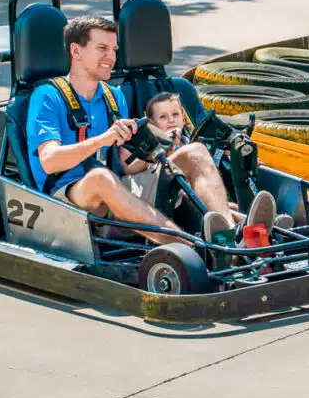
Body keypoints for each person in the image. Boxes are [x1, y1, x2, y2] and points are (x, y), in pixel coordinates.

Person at [25, 15, 277, 245]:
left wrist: (161, 157)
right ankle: (187, 246)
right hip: (69, 198)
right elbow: (49, 162)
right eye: (101, 48)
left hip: (117, 189)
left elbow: (127, 168)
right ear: (76, 51)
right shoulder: (47, 96)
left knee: (195, 151)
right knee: (101, 178)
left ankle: (230, 236)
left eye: (113, 49)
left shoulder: (114, 98)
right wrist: (102, 139)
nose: (111, 57)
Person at [140, 91, 293, 244]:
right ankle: (244, 230)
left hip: (201, 199)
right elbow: (135, 168)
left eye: (175, 114)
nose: (171, 120)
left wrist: (235, 155)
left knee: (225, 203)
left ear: (183, 117)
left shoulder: (190, 141)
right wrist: (166, 146)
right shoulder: (151, 146)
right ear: (153, 125)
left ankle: (258, 226)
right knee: (207, 201)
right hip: (172, 199)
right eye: (163, 117)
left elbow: (209, 166)